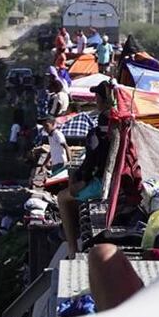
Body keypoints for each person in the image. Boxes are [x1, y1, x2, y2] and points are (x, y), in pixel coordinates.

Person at [57, 81, 114, 257]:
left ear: (104, 100)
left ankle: (73, 248)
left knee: (62, 197)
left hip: (101, 183)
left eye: (98, 96)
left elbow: (96, 158)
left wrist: (82, 181)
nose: (95, 99)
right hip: (112, 180)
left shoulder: (103, 126)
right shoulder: (119, 120)